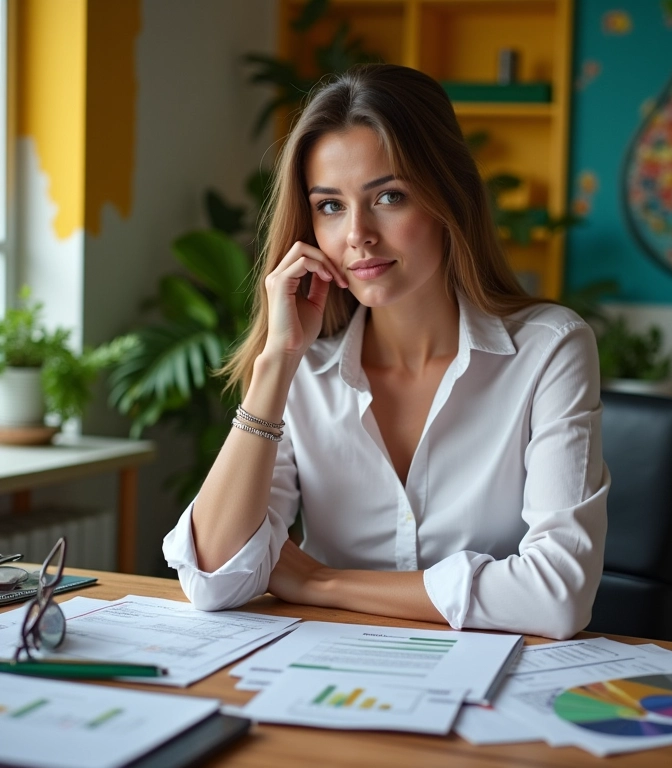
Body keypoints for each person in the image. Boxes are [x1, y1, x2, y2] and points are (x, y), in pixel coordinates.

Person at [163, 64, 609, 640]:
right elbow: (214, 578)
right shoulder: (303, 366)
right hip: (325, 681)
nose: (358, 235)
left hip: (493, 692)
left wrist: (322, 583)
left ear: (449, 197)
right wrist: (276, 363)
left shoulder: (549, 350)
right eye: (330, 206)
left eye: (390, 197)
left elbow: (558, 596)